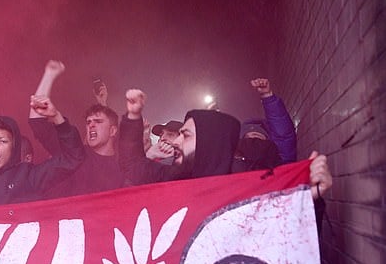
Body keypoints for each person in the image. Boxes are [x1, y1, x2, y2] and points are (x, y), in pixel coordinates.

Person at [119, 88, 332, 200]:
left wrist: (310, 199)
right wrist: (132, 117)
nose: (177, 141)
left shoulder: (250, 186)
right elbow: (132, 167)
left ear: (208, 143)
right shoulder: (176, 177)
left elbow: (280, 231)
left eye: (186, 135)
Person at [0, 96, 85, 213]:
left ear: (14, 148)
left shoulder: (29, 176)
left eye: (2, 141)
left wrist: (57, 118)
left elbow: (73, 157)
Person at [28, 60, 127, 198]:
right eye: (88, 122)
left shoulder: (121, 168)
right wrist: (49, 75)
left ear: (113, 131)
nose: (91, 125)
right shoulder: (75, 156)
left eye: (97, 122)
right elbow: (38, 124)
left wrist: (103, 104)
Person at [250, 78, 297, 164]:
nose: (254, 139)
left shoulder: (278, 160)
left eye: (260, 139)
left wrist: (267, 96)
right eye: (249, 139)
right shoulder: (234, 165)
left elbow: (282, 135)